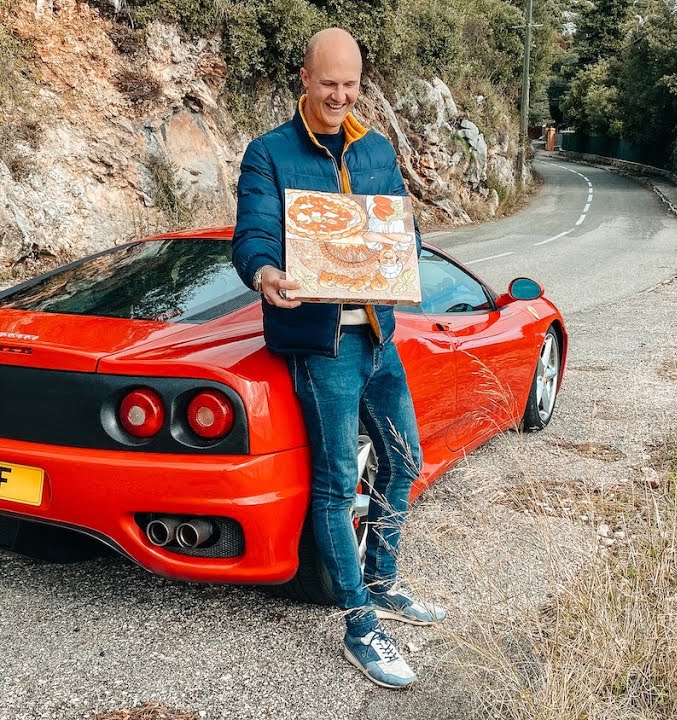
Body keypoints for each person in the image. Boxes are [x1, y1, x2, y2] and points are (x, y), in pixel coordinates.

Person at [231, 27, 446, 690]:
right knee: (334, 485)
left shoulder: (376, 148)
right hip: (321, 345)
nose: (340, 96)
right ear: (304, 78)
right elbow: (252, 233)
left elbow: (403, 230)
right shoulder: (269, 152)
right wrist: (265, 272)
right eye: (329, 83)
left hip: (378, 335)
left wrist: (402, 249)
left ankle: (382, 578)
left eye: (350, 85)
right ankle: (359, 623)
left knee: (404, 460)